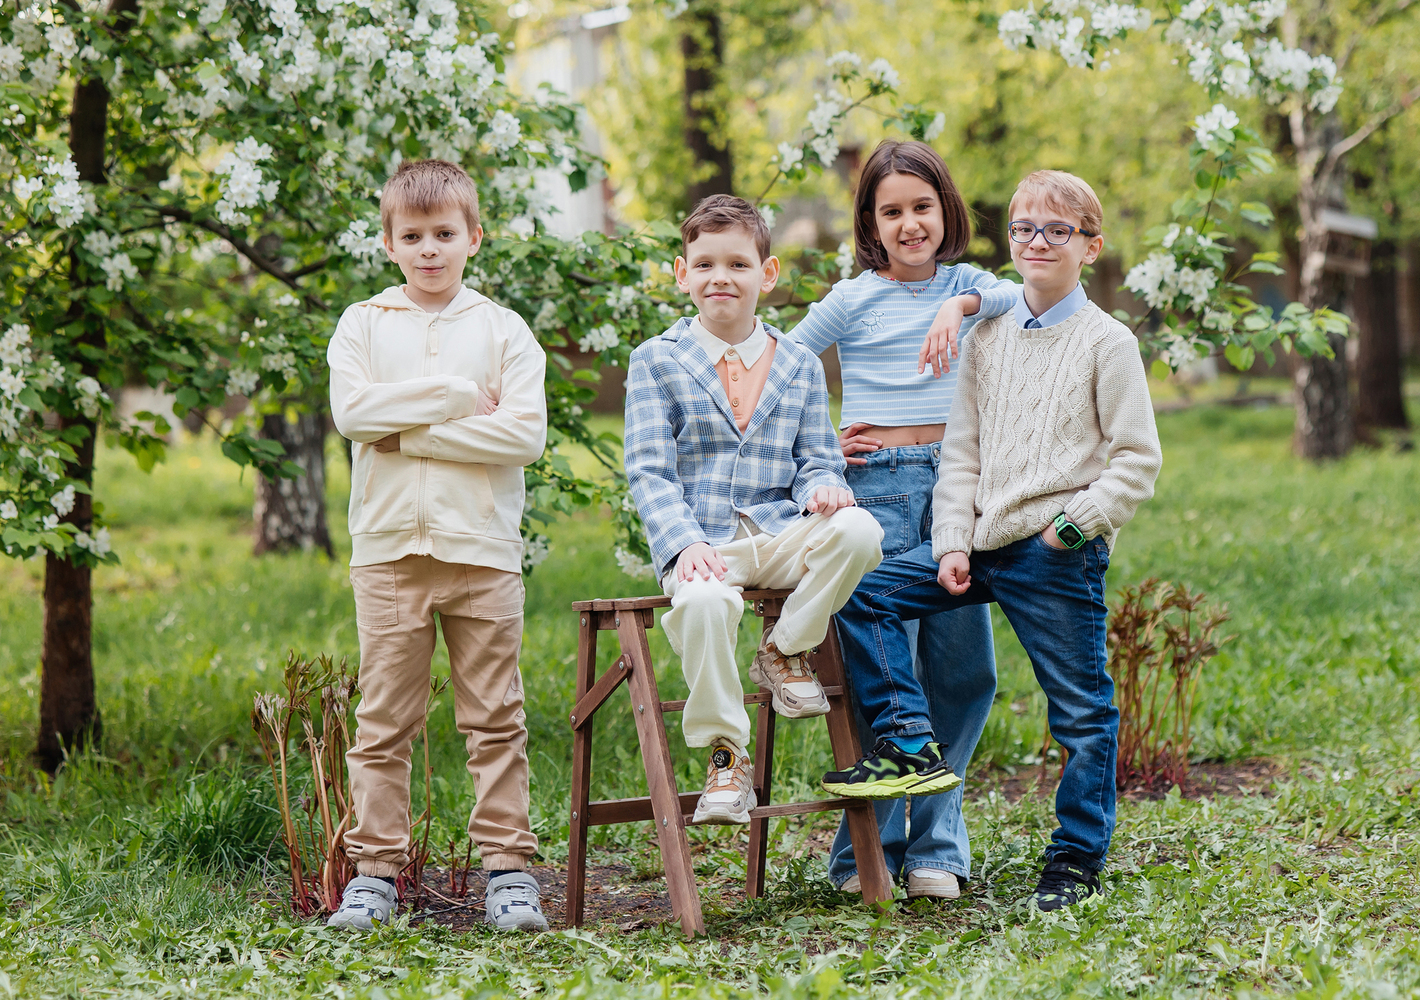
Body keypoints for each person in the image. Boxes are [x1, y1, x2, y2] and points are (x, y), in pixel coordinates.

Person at [825, 169, 1163, 910]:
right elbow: (964, 455)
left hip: (1053, 553)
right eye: (1023, 229)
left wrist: (1068, 529)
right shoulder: (986, 337)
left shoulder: (1107, 342)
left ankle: (1075, 859)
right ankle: (909, 736)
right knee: (865, 593)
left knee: (1082, 713)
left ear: (1091, 246)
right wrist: (950, 543)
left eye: (1057, 230)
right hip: (977, 547)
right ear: (1009, 240)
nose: (1037, 242)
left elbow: (1138, 460)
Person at [624, 194, 915, 827]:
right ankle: (727, 756)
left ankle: (784, 649)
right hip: (705, 544)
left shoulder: (801, 364)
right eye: (703, 265)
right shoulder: (656, 361)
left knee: (862, 529)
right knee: (703, 602)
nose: (719, 278)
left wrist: (825, 488)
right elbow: (649, 469)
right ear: (681, 274)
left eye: (736, 264)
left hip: (778, 532)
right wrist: (680, 545)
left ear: (768, 273)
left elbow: (817, 458)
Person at [787, 139, 1019, 902]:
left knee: (964, 672)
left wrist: (958, 304)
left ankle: (937, 848)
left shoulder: (968, 284)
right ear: (871, 223)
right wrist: (822, 447)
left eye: (922, 207)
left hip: (959, 493)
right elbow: (783, 367)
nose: (909, 223)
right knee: (888, 672)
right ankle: (869, 854)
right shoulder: (854, 298)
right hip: (877, 490)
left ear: (945, 210)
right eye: (892, 212)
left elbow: (1026, 297)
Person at [325, 159, 550, 932]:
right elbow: (355, 416)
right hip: (389, 553)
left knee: (496, 718)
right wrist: (457, 400)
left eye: (444, 234)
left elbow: (521, 434)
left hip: (482, 552)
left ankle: (508, 870)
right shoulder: (363, 324)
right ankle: (375, 876)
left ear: (473, 238)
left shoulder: (501, 329)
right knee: (384, 721)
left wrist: (407, 434)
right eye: (412, 235)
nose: (429, 249)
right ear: (389, 242)